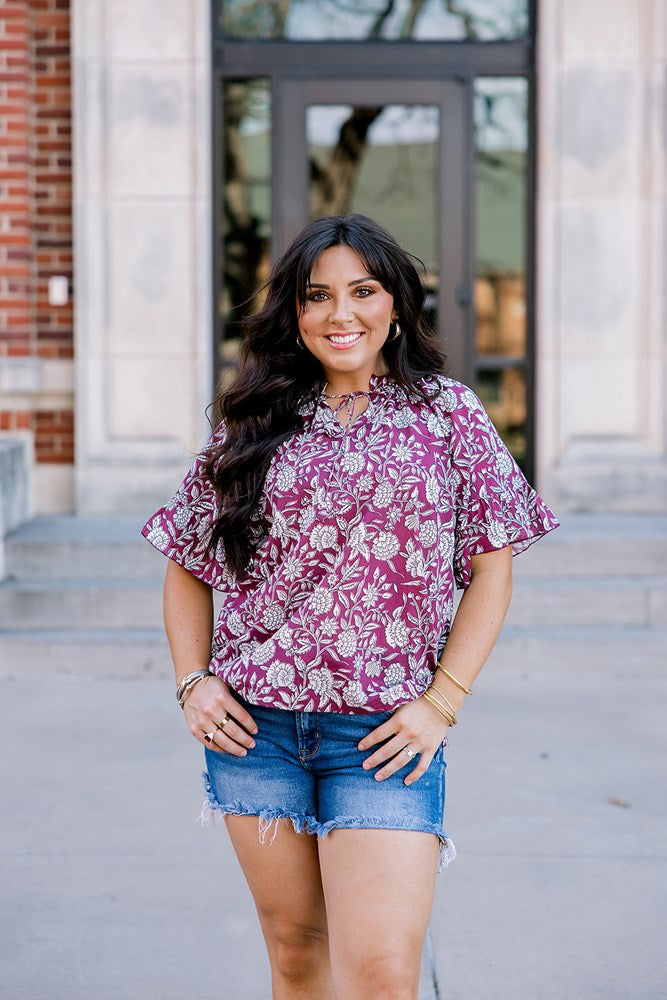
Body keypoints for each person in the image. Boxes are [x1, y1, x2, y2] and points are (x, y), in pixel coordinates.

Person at [142, 213, 558, 1000]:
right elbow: (186, 559)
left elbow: (492, 567)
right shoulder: (253, 418)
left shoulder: (447, 414)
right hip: (255, 731)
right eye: (316, 296)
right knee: (298, 955)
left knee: (380, 977)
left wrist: (442, 702)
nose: (341, 314)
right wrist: (194, 682)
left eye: (362, 291)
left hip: (382, 736)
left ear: (395, 304)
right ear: (293, 315)